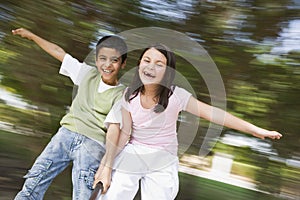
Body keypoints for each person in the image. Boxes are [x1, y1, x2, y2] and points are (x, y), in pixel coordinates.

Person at [94, 43, 283, 200]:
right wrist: (105, 167)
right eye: (147, 60)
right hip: (135, 150)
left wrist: (254, 130)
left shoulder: (176, 96)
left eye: (159, 64)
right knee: (115, 193)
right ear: (139, 64)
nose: (151, 67)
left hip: (163, 157)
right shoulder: (129, 95)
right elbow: (124, 133)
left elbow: (214, 114)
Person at [11, 28, 127, 199]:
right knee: (34, 180)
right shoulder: (86, 73)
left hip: (92, 145)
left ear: (123, 63)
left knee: (83, 195)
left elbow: (114, 129)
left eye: (114, 60)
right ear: (96, 60)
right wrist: (33, 35)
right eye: (102, 58)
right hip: (65, 135)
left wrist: (107, 165)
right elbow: (59, 52)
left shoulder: (122, 95)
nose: (107, 65)